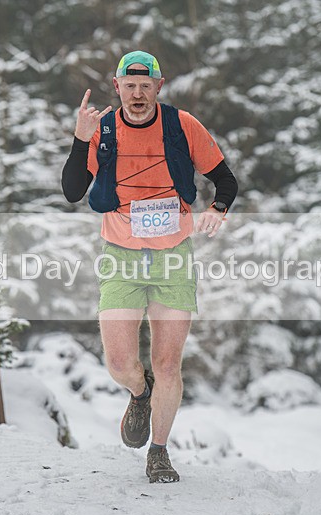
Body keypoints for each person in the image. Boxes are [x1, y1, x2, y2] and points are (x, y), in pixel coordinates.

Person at [61, 50, 238, 483]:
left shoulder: (182, 126)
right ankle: (139, 394)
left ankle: (159, 452)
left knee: (167, 363)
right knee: (121, 364)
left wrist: (218, 207)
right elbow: (71, 191)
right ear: (116, 86)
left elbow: (226, 179)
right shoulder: (101, 130)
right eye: (129, 85)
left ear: (159, 86)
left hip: (173, 257)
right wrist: (80, 139)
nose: (137, 94)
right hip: (120, 257)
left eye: (146, 86)